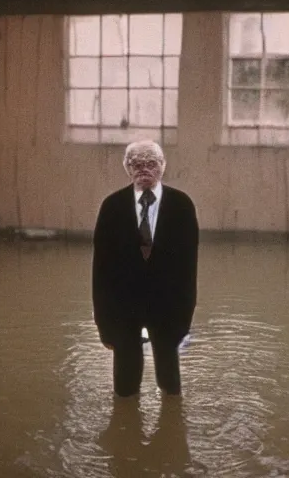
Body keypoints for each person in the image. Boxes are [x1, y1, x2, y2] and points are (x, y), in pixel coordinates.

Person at [92, 139, 199, 397]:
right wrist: (103, 324)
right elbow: (100, 271)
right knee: (125, 387)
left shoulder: (182, 205)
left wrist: (184, 321)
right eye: (136, 164)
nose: (144, 169)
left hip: (167, 310)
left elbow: (188, 270)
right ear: (127, 168)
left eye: (151, 163)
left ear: (163, 166)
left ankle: (171, 430)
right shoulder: (111, 206)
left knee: (170, 385)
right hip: (123, 311)